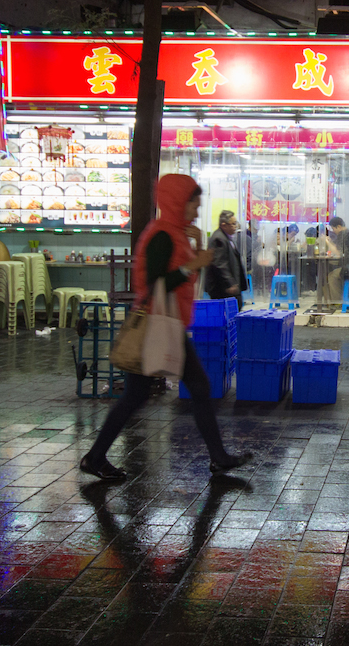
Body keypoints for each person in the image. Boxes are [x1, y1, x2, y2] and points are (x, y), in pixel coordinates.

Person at [80, 174, 252, 481]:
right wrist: (193, 264)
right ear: (177, 202)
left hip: (169, 323)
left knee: (174, 390)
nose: (196, 212)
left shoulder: (174, 233)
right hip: (156, 325)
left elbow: (185, 273)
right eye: (193, 205)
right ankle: (95, 457)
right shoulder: (161, 235)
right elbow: (155, 284)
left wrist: (196, 246)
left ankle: (218, 456)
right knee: (166, 391)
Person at [205, 210, 248, 308]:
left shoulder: (226, 237)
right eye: (233, 224)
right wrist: (230, 284)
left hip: (229, 286)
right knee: (228, 311)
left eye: (236, 223)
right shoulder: (219, 239)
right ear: (224, 225)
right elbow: (220, 264)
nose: (235, 226)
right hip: (223, 288)